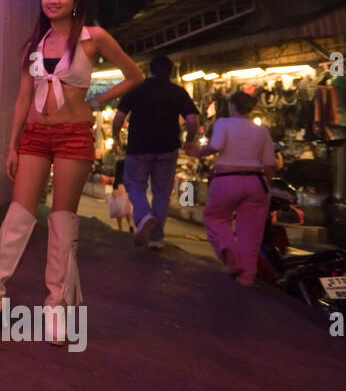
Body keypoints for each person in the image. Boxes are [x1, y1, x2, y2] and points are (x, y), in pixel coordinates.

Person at [0, 0, 143, 341]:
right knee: (18, 215)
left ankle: (56, 306)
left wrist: (96, 101)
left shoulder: (93, 38)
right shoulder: (34, 44)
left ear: (75, 0)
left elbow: (134, 75)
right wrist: (13, 145)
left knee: (63, 220)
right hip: (35, 135)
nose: (52, 0)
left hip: (73, 135)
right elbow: (22, 99)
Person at [183, 90, 275, 286]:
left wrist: (197, 152)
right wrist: (267, 184)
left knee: (214, 217)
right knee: (251, 233)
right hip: (256, 182)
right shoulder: (262, 131)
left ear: (232, 105)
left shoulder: (223, 123)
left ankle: (229, 254)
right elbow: (269, 164)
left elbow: (215, 146)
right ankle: (246, 278)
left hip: (227, 179)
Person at [111, 54, 200, 250]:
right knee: (162, 193)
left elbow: (118, 119)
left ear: (149, 71)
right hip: (168, 149)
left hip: (138, 148)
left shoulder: (136, 89)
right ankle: (156, 238)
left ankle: (144, 217)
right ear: (170, 72)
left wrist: (116, 139)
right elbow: (193, 121)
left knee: (134, 185)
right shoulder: (178, 92)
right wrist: (189, 140)